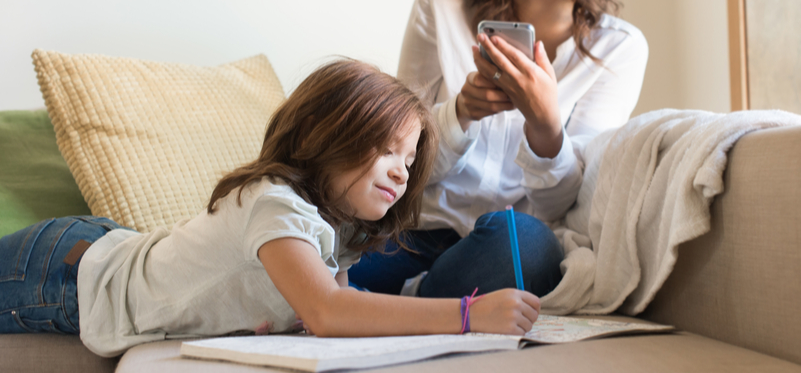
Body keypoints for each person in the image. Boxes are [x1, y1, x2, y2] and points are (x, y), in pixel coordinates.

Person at [0, 59, 540, 357]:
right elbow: (328, 311)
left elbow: (339, 307)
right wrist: (468, 315)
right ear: (325, 136)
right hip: (68, 271)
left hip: (105, 249)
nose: (402, 170)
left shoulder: (339, 228)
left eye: (408, 156)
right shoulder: (275, 205)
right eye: (384, 150)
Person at [350, 0, 649, 299]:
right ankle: (415, 302)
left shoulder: (617, 49)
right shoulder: (439, 9)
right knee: (296, 265)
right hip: (412, 232)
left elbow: (565, 204)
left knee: (528, 245)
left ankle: (410, 303)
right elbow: (398, 163)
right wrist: (460, 112)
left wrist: (546, 126)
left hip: (505, 245)